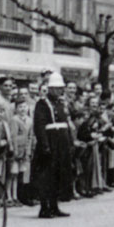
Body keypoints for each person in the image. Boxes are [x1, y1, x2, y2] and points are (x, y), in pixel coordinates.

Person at [31, 71, 73, 218]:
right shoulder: (42, 104)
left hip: (61, 144)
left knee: (58, 175)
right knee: (46, 177)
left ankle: (54, 206)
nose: (59, 91)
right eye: (56, 88)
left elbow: (65, 124)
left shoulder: (61, 104)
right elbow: (39, 126)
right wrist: (45, 146)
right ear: (50, 89)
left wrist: (69, 143)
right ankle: (44, 207)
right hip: (49, 143)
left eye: (60, 88)